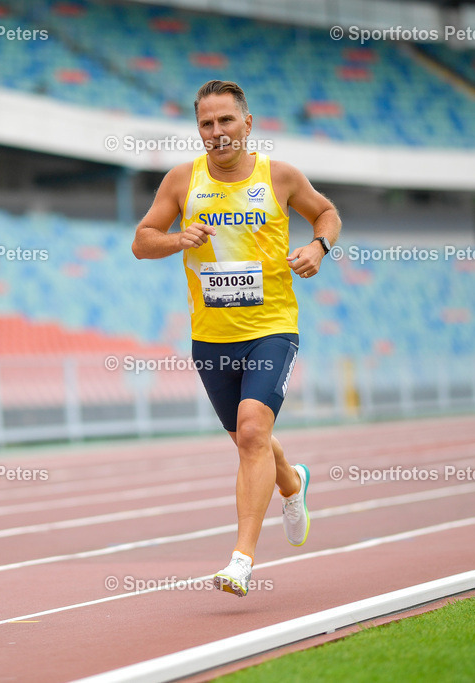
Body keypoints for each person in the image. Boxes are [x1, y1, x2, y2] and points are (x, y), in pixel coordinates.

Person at [131, 80, 342, 596]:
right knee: (248, 438)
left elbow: (327, 213)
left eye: (226, 120)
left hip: (272, 327)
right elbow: (141, 241)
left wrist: (318, 247)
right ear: (198, 129)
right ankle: (292, 482)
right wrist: (176, 238)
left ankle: (240, 561)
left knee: (251, 432)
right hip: (211, 336)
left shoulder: (281, 176)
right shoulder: (183, 181)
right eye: (207, 123)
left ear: (248, 124)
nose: (217, 131)